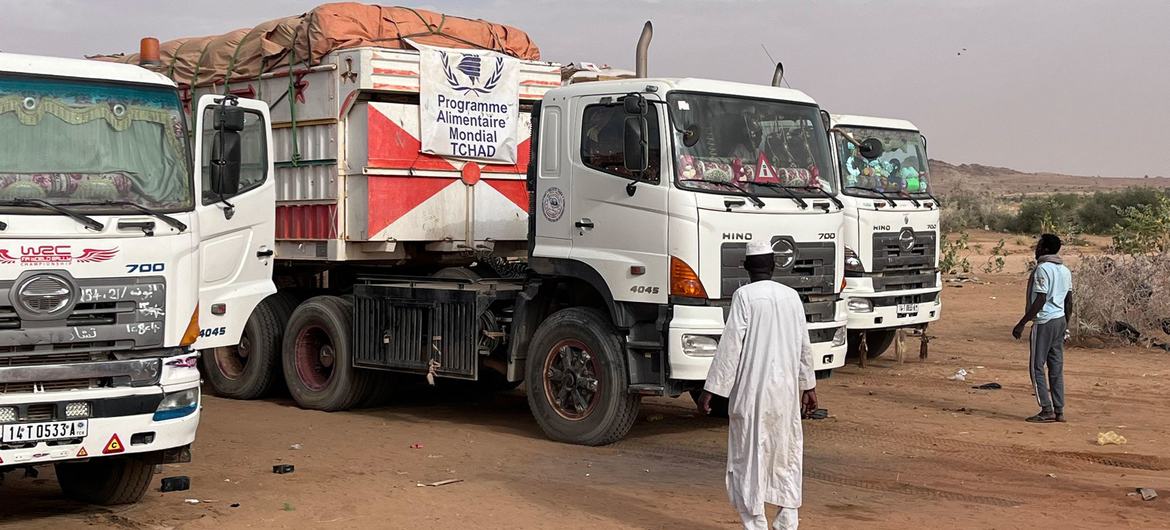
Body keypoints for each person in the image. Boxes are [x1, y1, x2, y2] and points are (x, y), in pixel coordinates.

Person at [698, 240, 818, 530]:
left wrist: (711, 389)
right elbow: (804, 345)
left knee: (750, 456)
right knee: (785, 452)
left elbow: (730, 347)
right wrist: (809, 386)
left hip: (754, 393)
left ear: (747, 267)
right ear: (774, 266)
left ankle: (756, 523)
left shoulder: (744, 296)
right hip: (786, 392)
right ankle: (787, 518)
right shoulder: (791, 297)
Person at [1012, 233, 1074, 423]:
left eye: (1039, 245)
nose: (1036, 249)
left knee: (1036, 367)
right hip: (1060, 320)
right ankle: (1059, 409)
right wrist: (1066, 325)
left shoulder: (1042, 269)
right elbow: (1069, 301)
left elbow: (1040, 298)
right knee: (1056, 367)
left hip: (1045, 321)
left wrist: (1022, 323)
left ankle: (1046, 409)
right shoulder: (1065, 270)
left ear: (1045, 249)